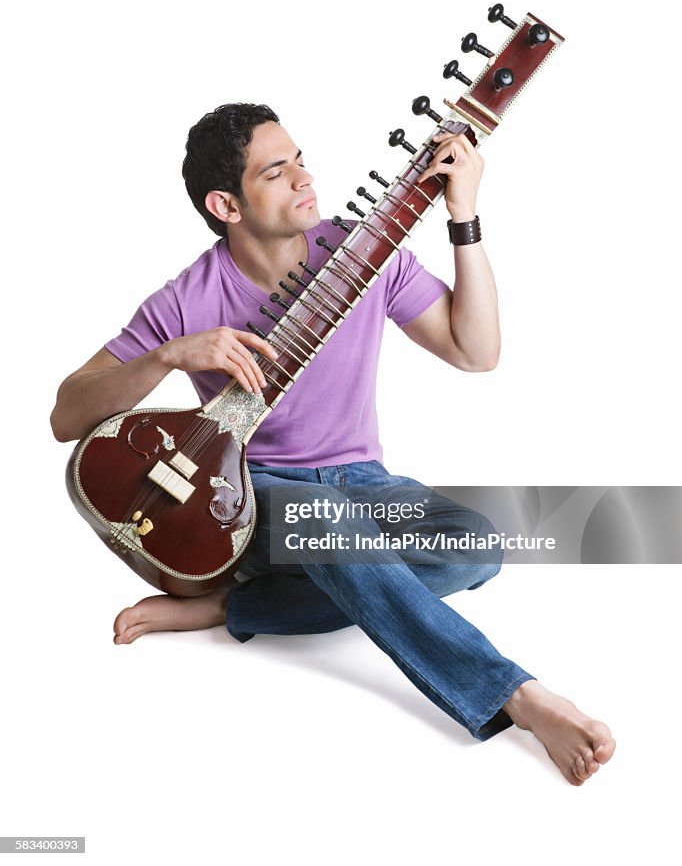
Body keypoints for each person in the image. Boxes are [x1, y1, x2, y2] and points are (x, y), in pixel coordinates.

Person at [50, 102, 615, 786]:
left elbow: (478, 350)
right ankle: (517, 696)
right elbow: (66, 415)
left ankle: (236, 607)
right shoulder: (188, 298)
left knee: (477, 545)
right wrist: (170, 354)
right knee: (332, 527)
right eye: (277, 171)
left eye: (302, 159)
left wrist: (462, 216)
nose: (304, 179)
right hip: (250, 499)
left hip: (366, 485)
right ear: (225, 203)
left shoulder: (362, 254)